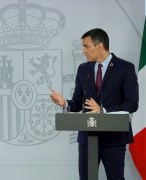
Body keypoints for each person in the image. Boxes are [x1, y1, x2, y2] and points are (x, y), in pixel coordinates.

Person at [51, 28, 139, 180]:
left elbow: (132, 104)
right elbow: (78, 103)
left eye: (86, 46)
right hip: (88, 137)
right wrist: (64, 102)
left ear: (99, 46)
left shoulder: (125, 68)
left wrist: (103, 111)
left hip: (114, 139)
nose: (83, 51)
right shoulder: (83, 69)